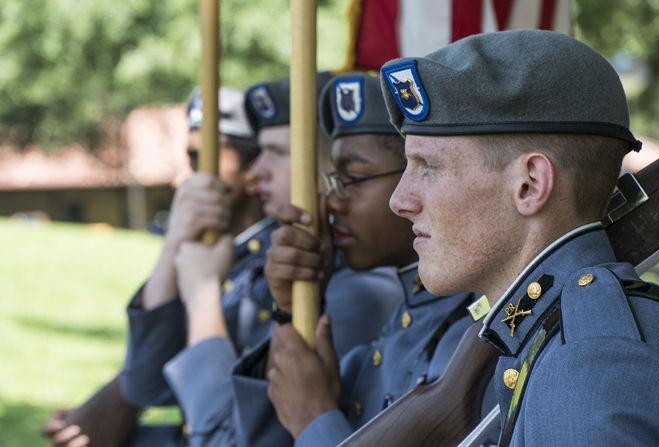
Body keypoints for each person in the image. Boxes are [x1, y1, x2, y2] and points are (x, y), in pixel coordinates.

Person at [380, 29, 659, 445]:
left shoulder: (588, 371)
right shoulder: (559, 344)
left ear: (530, 185)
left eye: (429, 166)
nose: (400, 200)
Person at [229, 73, 483, 447]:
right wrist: (295, 308)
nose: (332, 201)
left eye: (354, 178)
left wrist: (314, 419)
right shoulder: (404, 321)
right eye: (334, 181)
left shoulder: (469, 337)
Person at [155, 74, 403, 446]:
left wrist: (203, 297)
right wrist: (174, 241)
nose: (256, 172)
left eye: (279, 152)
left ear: (321, 173)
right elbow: (146, 384)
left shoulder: (361, 292)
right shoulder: (275, 264)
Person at [41, 86, 268, 447]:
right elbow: (143, 384)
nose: (184, 178)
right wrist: (174, 243)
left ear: (252, 167)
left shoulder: (273, 264)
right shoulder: (213, 253)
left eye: (200, 159)